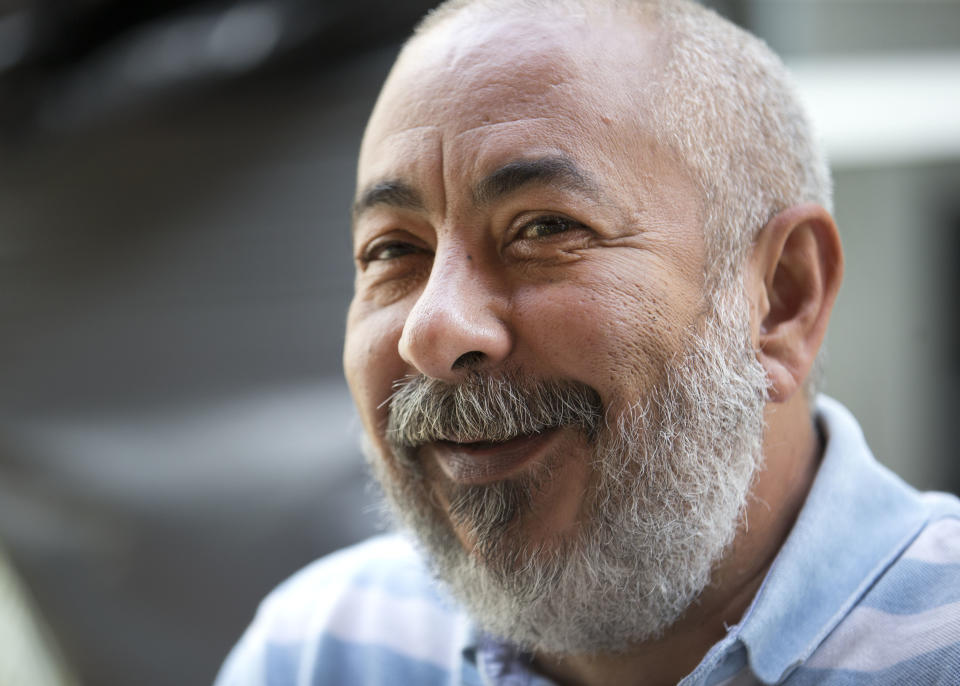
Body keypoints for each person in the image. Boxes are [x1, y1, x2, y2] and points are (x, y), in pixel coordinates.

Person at [214, 1, 960, 684]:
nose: (433, 332)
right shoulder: (323, 653)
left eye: (545, 228)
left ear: (782, 300)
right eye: (392, 251)